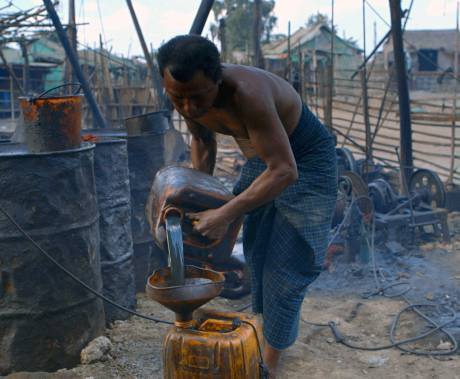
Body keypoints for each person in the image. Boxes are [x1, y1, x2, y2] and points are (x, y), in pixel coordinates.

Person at [157, 35, 337, 378]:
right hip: (265, 159)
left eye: (197, 97)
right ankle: (266, 329)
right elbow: (202, 139)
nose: (189, 108)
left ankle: (267, 365)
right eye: (178, 98)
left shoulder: (248, 94)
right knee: (256, 254)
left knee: (285, 266)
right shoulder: (187, 99)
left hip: (306, 162)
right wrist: (196, 196)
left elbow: (285, 170)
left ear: (217, 79)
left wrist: (225, 213)